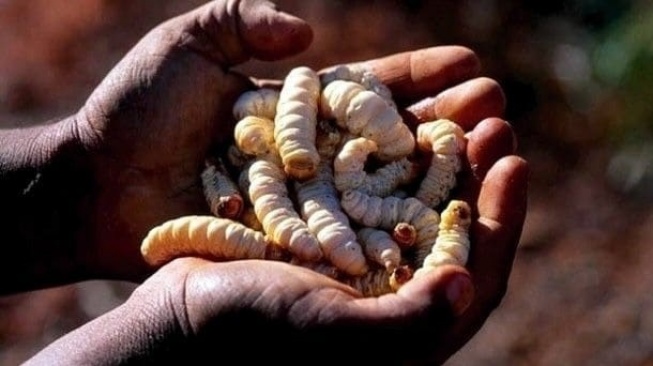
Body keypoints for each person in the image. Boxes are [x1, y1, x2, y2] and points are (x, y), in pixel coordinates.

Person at [0, 0, 528, 364]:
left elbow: (356, 188)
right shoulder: (289, 163)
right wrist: (178, 330)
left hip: (353, 197)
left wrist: (79, 170)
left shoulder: (345, 175)